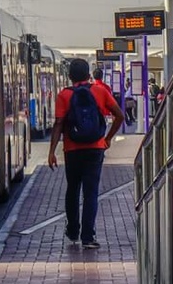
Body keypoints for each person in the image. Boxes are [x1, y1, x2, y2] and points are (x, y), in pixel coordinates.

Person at [48, 58, 125, 249]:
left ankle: (73, 230)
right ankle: (88, 237)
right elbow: (120, 115)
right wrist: (107, 138)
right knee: (91, 193)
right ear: (88, 74)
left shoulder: (64, 95)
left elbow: (58, 124)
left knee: (72, 189)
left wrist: (51, 152)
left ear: (69, 76)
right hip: (95, 148)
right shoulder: (100, 91)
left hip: (72, 150)